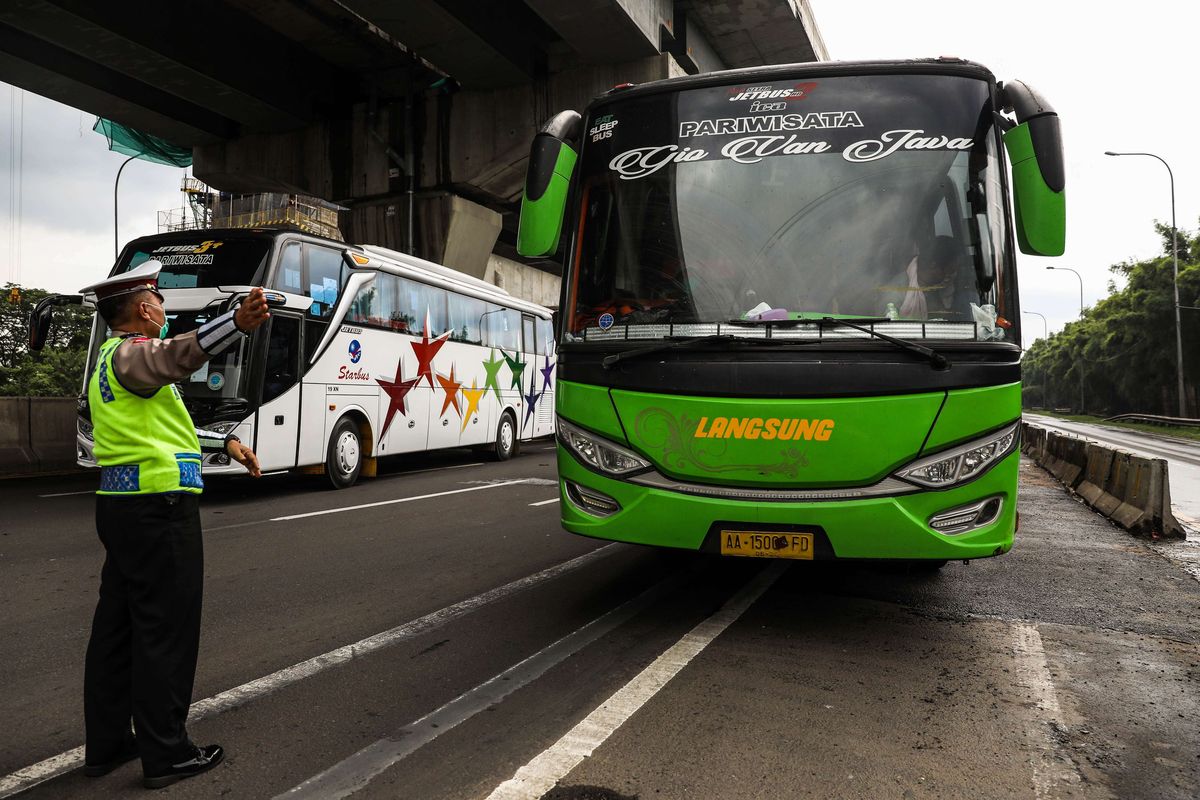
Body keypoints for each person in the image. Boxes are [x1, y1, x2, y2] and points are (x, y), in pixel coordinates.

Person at [78, 260, 270, 789]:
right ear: (143, 309)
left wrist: (224, 442)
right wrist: (234, 322)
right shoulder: (136, 355)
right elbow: (174, 356)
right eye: (160, 301)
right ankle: (167, 753)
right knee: (166, 632)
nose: (164, 309)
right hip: (158, 510)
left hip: (123, 508)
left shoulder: (105, 362)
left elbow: (160, 431)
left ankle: (109, 743)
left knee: (116, 631)